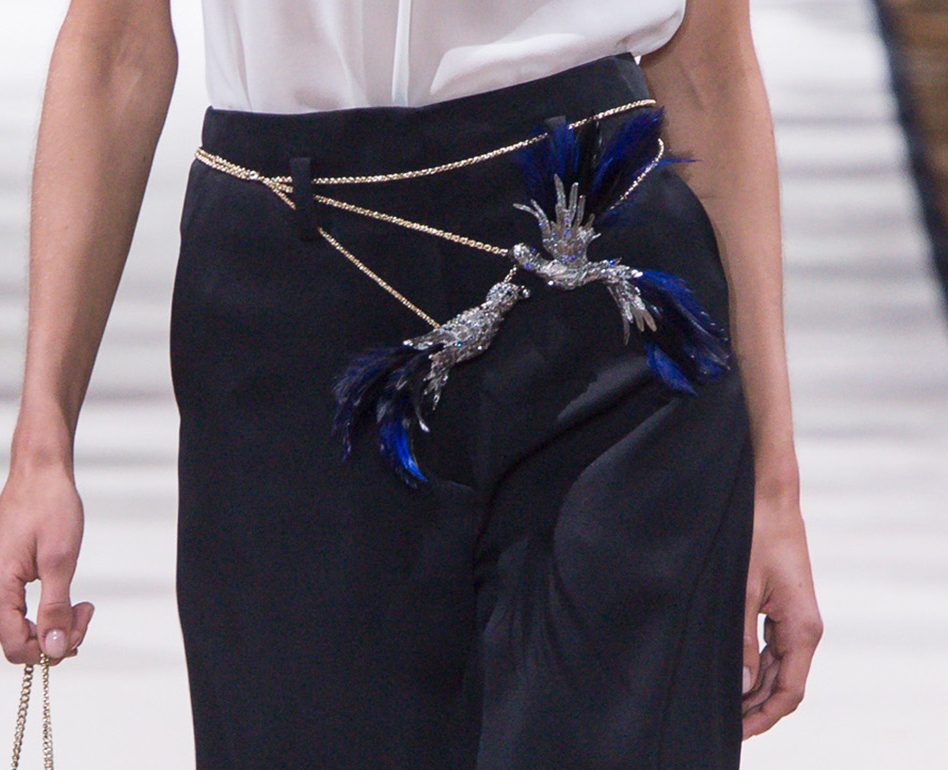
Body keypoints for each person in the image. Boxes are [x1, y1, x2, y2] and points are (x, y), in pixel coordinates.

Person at [0, 0, 823, 767]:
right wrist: (42, 443)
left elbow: (709, 69)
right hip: (294, 310)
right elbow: (115, 43)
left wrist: (773, 486)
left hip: (601, 288)